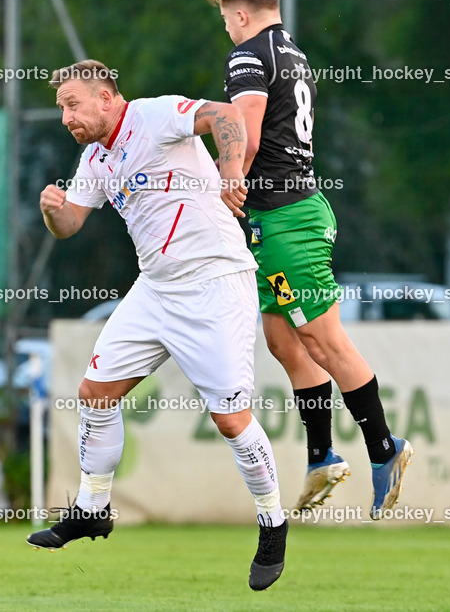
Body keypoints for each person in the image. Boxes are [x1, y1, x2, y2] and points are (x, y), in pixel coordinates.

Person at [26, 59, 287, 591]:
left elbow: (227, 114)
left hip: (216, 282)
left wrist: (233, 170)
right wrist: (53, 210)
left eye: (73, 105)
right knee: (95, 392)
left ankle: (273, 523)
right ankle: (92, 509)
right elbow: (70, 224)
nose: (66, 118)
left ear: (105, 97)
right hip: (156, 289)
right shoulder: (95, 159)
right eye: (60, 109)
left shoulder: (154, 115)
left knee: (232, 421)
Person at [201, 0, 413, 520]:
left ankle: (384, 447)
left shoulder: (248, 55)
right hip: (287, 216)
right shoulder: (289, 50)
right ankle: (321, 454)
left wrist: (226, 182)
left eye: (225, 15)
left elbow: (243, 136)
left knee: (324, 340)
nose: (225, 26)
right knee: (284, 341)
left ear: (240, 11)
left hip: (285, 219)